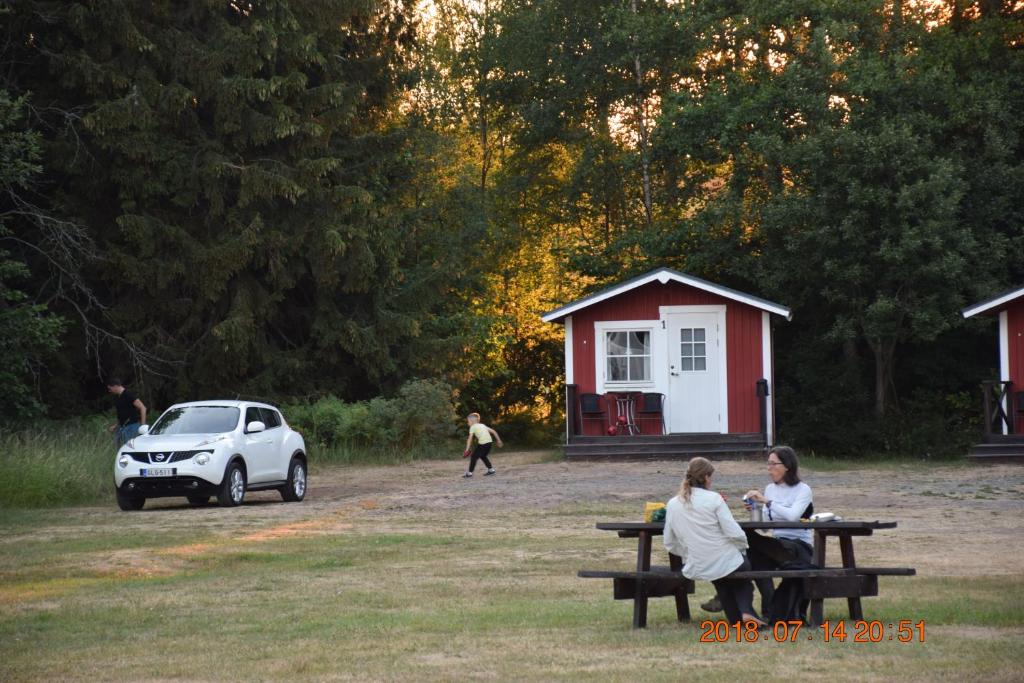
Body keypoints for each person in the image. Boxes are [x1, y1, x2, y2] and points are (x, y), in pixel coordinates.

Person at [663, 457, 764, 625]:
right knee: (743, 574)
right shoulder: (714, 499)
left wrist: (689, 553)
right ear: (707, 478)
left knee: (722, 583)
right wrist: (742, 547)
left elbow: (669, 541)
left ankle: (736, 621)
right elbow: (733, 532)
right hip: (722, 558)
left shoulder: (673, 504)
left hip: (699, 562)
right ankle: (746, 611)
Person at [106, 378, 147, 448]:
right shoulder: (117, 397)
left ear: (115, 386)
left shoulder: (128, 394)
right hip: (121, 427)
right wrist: (115, 426)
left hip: (131, 427)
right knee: (118, 447)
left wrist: (143, 427)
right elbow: (123, 414)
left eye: (110, 389)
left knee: (129, 448)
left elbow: (143, 408)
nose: (110, 391)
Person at [462, 412, 502, 479]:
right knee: (483, 456)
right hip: (489, 443)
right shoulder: (483, 425)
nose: (467, 423)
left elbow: (470, 439)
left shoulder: (473, 427)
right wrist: (499, 440)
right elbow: (494, 432)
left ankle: (469, 473)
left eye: (468, 421)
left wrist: (467, 449)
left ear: (472, 421)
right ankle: (491, 470)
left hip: (483, 443)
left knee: (474, 457)